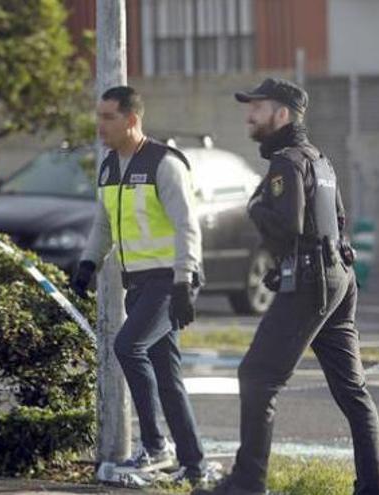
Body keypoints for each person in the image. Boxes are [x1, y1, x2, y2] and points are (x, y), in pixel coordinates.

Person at [193, 78, 379, 495]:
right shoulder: (319, 158)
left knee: (257, 376)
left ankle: (247, 484)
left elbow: (287, 223)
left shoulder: (286, 162)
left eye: (257, 108)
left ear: (282, 114)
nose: (249, 116)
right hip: (337, 277)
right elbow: (334, 224)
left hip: (311, 282)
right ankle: (375, 488)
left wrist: (256, 207)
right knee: (353, 391)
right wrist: (282, 265)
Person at [71, 86, 213, 483]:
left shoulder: (164, 164)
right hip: (138, 283)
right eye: (98, 116)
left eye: (108, 117)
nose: (99, 125)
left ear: (132, 120)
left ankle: (155, 447)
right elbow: (103, 225)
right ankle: (195, 467)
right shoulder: (108, 166)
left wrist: (185, 283)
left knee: (127, 346)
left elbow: (188, 226)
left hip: (170, 281)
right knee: (168, 377)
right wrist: (87, 265)